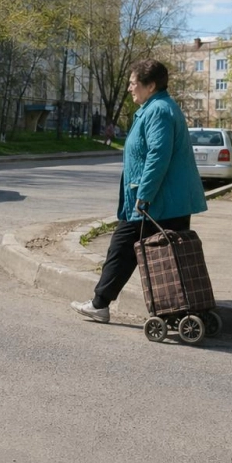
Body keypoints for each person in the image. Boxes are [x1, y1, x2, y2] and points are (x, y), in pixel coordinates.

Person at [71, 59, 208, 323]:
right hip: (166, 200)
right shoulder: (156, 107)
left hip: (156, 201)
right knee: (164, 257)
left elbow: (158, 155)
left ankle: (101, 304)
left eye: (134, 83)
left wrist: (144, 195)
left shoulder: (158, 110)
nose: (129, 88)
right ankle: (179, 312)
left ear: (151, 85)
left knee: (123, 248)